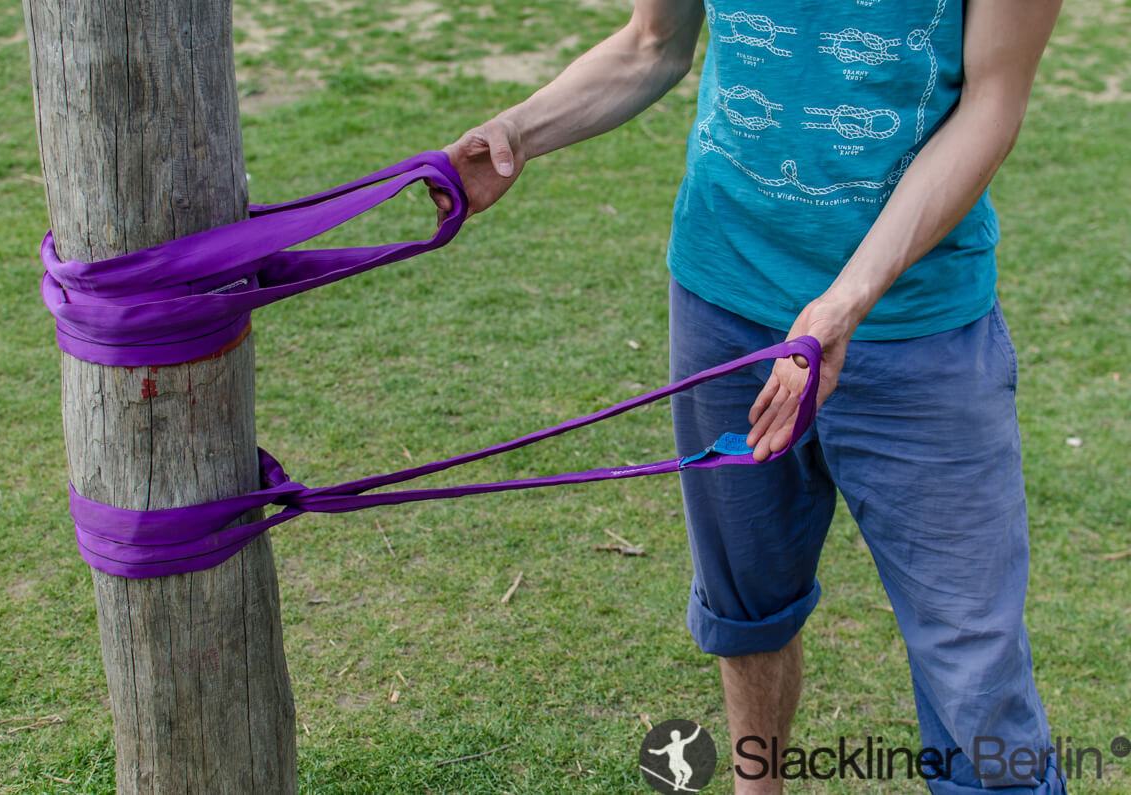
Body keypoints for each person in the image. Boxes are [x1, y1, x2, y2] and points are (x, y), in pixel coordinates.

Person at [430, 1, 1064, 792]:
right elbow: (650, 45)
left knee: (973, 662)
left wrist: (848, 299)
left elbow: (990, 106)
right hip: (726, 304)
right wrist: (520, 131)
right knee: (746, 607)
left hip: (916, 332)